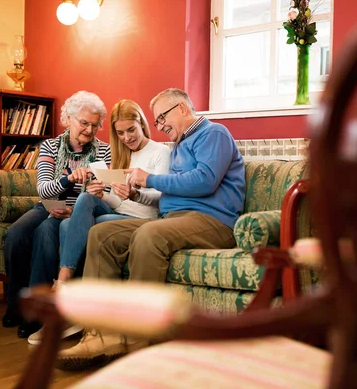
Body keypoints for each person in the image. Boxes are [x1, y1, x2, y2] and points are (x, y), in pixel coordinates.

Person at [56, 88, 246, 370]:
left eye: (161, 118)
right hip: (177, 220)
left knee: (149, 234)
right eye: (157, 121)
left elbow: (205, 181)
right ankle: (99, 333)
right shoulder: (181, 144)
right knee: (101, 234)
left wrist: (151, 179)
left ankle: (136, 337)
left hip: (213, 221)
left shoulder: (213, 133)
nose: (160, 126)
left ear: (182, 109)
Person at [26, 100, 171, 344]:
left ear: (142, 124)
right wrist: (103, 193)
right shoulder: (122, 154)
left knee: (69, 225)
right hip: (119, 210)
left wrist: (134, 193)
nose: (126, 137)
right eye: (120, 133)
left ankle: (64, 290)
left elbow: (162, 199)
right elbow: (117, 199)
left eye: (131, 130)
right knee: (83, 200)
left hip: (142, 217)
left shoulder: (161, 152)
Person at [1, 90, 110, 339]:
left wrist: (81, 203)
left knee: (44, 233)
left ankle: (37, 312)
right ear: (68, 119)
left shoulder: (104, 151)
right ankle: (15, 305)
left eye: (95, 125)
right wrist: (68, 178)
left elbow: (104, 191)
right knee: (15, 234)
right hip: (49, 204)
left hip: (77, 211)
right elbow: (43, 189)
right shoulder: (50, 146)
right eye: (84, 123)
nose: (89, 130)